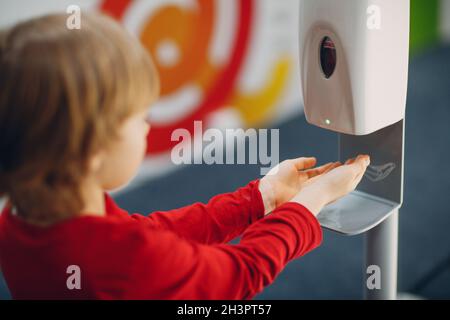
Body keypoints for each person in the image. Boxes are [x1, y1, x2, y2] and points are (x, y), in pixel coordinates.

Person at [0, 12, 370, 299]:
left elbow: (148, 237)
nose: (147, 127)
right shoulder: (122, 260)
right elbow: (240, 273)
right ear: (90, 153)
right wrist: (310, 204)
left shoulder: (21, 217)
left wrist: (261, 198)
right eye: (140, 117)